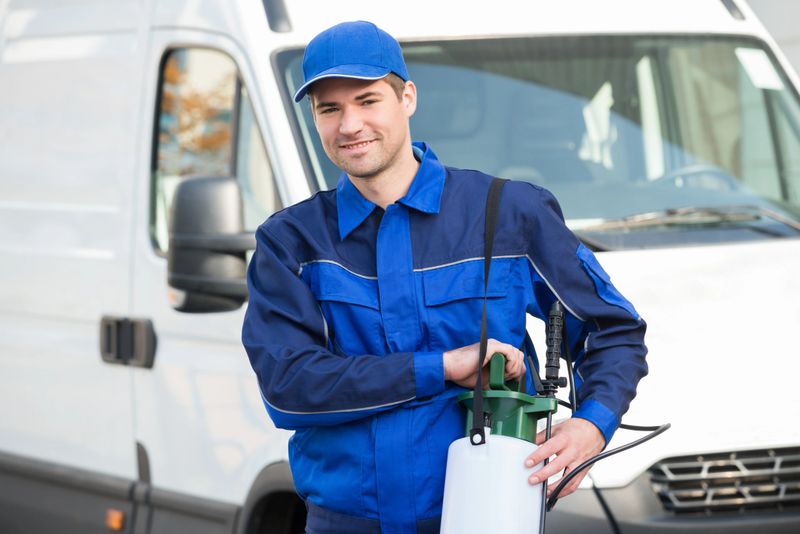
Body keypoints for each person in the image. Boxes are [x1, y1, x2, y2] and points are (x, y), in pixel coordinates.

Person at [242, 20, 647, 534]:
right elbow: (288, 386)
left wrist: (593, 425)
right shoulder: (291, 242)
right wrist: (446, 366)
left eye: (368, 101)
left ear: (406, 97)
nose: (349, 125)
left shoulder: (507, 214)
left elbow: (614, 330)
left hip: (491, 515)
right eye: (330, 109)